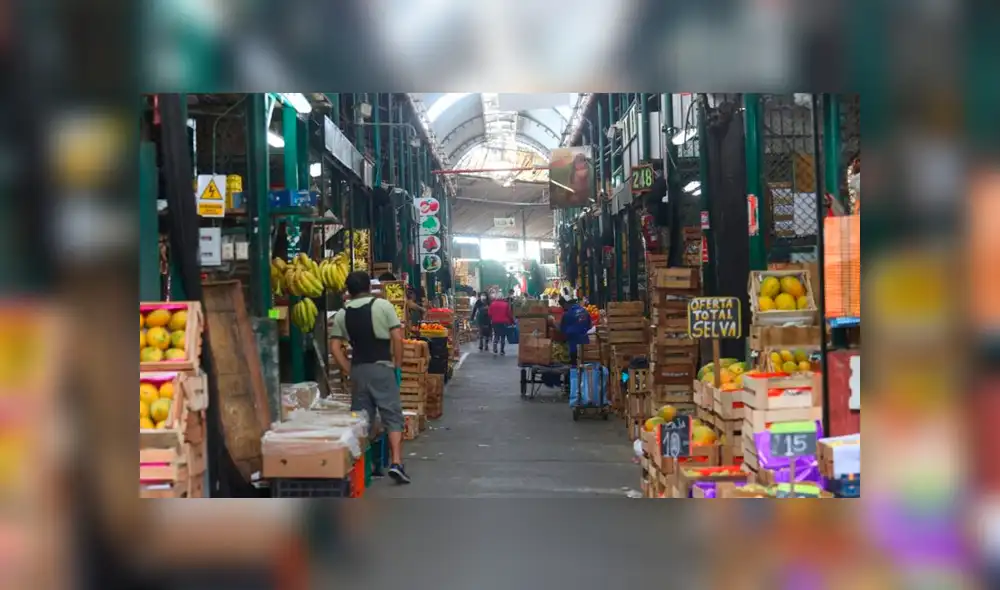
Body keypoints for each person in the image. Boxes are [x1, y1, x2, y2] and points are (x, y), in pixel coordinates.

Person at [329, 271, 410, 484]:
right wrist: (397, 366)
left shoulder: (342, 313)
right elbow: (397, 338)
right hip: (383, 367)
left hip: (359, 370)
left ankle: (367, 467)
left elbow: (335, 347)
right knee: (392, 416)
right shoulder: (383, 306)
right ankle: (396, 463)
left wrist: (348, 368)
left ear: (348, 291)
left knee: (362, 419)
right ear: (368, 286)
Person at [559, 297, 593, 366]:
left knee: (574, 366)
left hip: (573, 347)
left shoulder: (566, 314)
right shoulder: (585, 311)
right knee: (584, 367)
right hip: (585, 345)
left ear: (567, 304)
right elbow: (590, 326)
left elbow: (562, 331)